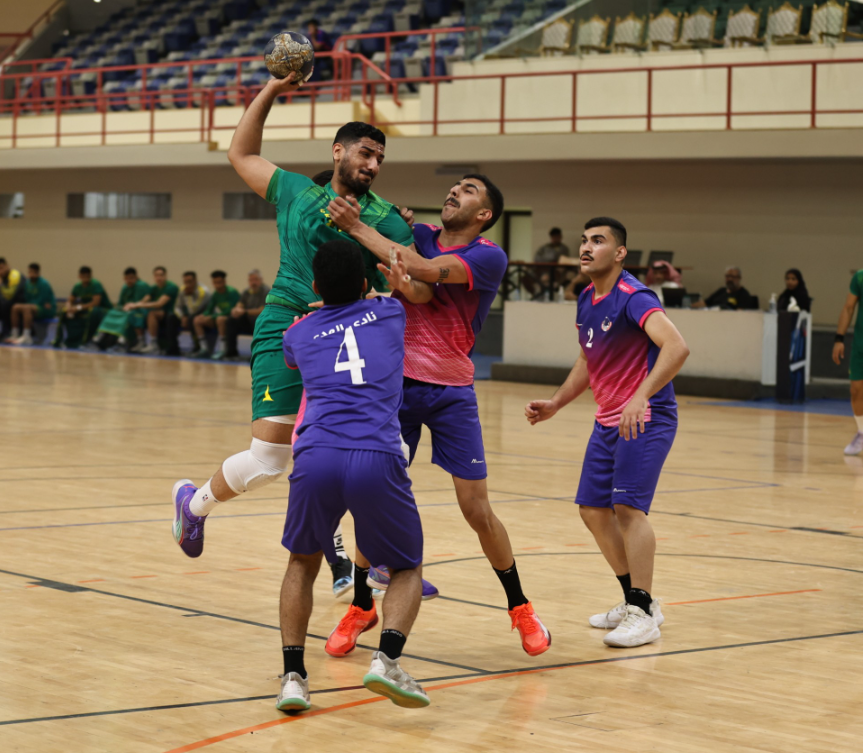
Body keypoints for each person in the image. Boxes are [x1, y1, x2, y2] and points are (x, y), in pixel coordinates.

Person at [169, 73, 415, 588]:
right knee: (268, 461)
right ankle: (194, 505)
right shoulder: (297, 192)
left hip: (349, 337)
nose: (373, 164)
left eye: (380, 158)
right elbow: (240, 153)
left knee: (374, 451)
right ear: (338, 151)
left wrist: (365, 243)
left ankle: (367, 557)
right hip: (287, 321)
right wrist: (273, 89)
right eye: (366, 153)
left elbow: (411, 279)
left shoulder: (387, 219)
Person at [327, 174, 551, 657]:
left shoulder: (488, 256)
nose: (454, 191)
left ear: (484, 215)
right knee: (370, 498)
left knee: (477, 510)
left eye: (468, 190)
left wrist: (357, 226)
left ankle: (520, 607)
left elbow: (425, 271)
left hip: (452, 392)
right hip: (395, 387)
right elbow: (406, 266)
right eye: (454, 186)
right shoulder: (419, 233)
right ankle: (362, 605)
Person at [209, 240, 427, 711]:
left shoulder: (298, 333)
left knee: (302, 563)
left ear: (314, 286)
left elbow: (295, 355)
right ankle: (387, 661)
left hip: (316, 455)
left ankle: (293, 678)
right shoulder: (390, 313)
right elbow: (396, 299)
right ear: (365, 283)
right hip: (376, 454)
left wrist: (319, 313)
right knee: (406, 569)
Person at [525, 218, 689, 648]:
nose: (586, 247)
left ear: (619, 253)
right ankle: (637, 600)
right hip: (608, 419)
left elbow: (677, 347)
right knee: (593, 510)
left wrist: (641, 396)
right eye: (584, 240)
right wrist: (557, 402)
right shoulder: (586, 298)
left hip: (645, 416)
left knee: (628, 509)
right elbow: (587, 358)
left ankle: (643, 613)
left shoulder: (634, 297)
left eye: (598, 241)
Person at [833, 270, 863, 455]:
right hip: (861, 345)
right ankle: (862, 432)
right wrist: (839, 339)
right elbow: (848, 307)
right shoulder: (860, 277)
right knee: (856, 391)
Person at [125, 266, 180, 354]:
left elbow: (159, 304)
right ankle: (140, 341)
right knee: (137, 313)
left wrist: (138, 305)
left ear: (165, 276)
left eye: (161, 275)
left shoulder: (171, 287)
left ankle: (153, 343)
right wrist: (134, 305)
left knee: (152, 314)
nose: (159, 278)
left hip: (173, 315)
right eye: (156, 275)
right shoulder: (154, 288)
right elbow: (146, 299)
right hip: (160, 314)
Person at [52, 265, 111, 348]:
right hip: (87, 309)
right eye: (83, 276)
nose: (85, 279)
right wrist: (69, 308)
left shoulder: (96, 284)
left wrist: (78, 308)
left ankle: (87, 341)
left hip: (102, 310)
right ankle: (63, 340)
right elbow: (69, 301)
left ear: (90, 276)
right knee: (64, 311)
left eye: (87, 276)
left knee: (93, 312)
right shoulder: (77, 286)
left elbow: (96, 303)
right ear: (79, 276)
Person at [223, 269, 269, 360]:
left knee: (260, 321)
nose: (253, 282)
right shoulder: (247, 291)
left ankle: (256, 355)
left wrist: (244, 311)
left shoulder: (266, 291)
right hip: (248, 321)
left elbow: (263, 310)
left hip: (260, 321)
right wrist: (236, 310)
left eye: (256, 279)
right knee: (231, 320)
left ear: (261, 280)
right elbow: (240, 304)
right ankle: (231, 353)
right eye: (251, 280)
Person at [192, 270, 239, 359]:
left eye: (219, 282)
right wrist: (204, 315)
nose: (217, 285)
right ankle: (204, 349)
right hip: (219, 317)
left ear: (224, 282)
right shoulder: (215, 294)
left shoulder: (232, 292)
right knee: (197, 320)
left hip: (231, 319)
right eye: (215, 283)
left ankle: (222, 349)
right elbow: (209, 309)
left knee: (220, 319)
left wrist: (213, 316)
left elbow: (230, 310)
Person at [4, 263, 55, 345]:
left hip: (45, 309)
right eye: (30, 272)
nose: (31, 274)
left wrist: (28, 305)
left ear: (38, 273)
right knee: (15, 307)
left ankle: (26, 336)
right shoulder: (27, 283)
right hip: (31, 307)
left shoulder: (44, 284)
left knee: (27, 308)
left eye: (33, 272)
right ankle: (14, 334)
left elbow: (43, 300)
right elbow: (26, 298)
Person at [173, 271, 211, 355]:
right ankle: (173, 348)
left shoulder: (203, 291)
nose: (188, 284)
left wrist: (189, 295)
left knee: (192, 319)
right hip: (189, 314)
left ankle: (198, 347)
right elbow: (177, 307)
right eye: (185, 282)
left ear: (195, 281)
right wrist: (182, 317)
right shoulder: (182, 289)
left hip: (203, 314)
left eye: (190, 282)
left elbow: (194, 310)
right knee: (171, 317)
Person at [119, 267, 153, 350]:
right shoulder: (125, 287)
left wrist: (134, 305)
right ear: (124, 278)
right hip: (129, 310)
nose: (129, 280)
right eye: (127, 278)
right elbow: (120, 303)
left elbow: (147, 298)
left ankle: (140, 341)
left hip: (142, 310)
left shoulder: (142, 285)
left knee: (134, 314)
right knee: (114, 313)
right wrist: (124, 307)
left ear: (136, 277)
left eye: (131, 278)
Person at [0, 257, 23, 339]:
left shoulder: (14, 275)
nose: (0, 271)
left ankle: (7, 332)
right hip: (8, 302)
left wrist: (1, 285)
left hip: (20, 301)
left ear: (7, 266)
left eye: (1, 268)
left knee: (4, 306)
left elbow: (11, 295)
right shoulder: (3, 278)